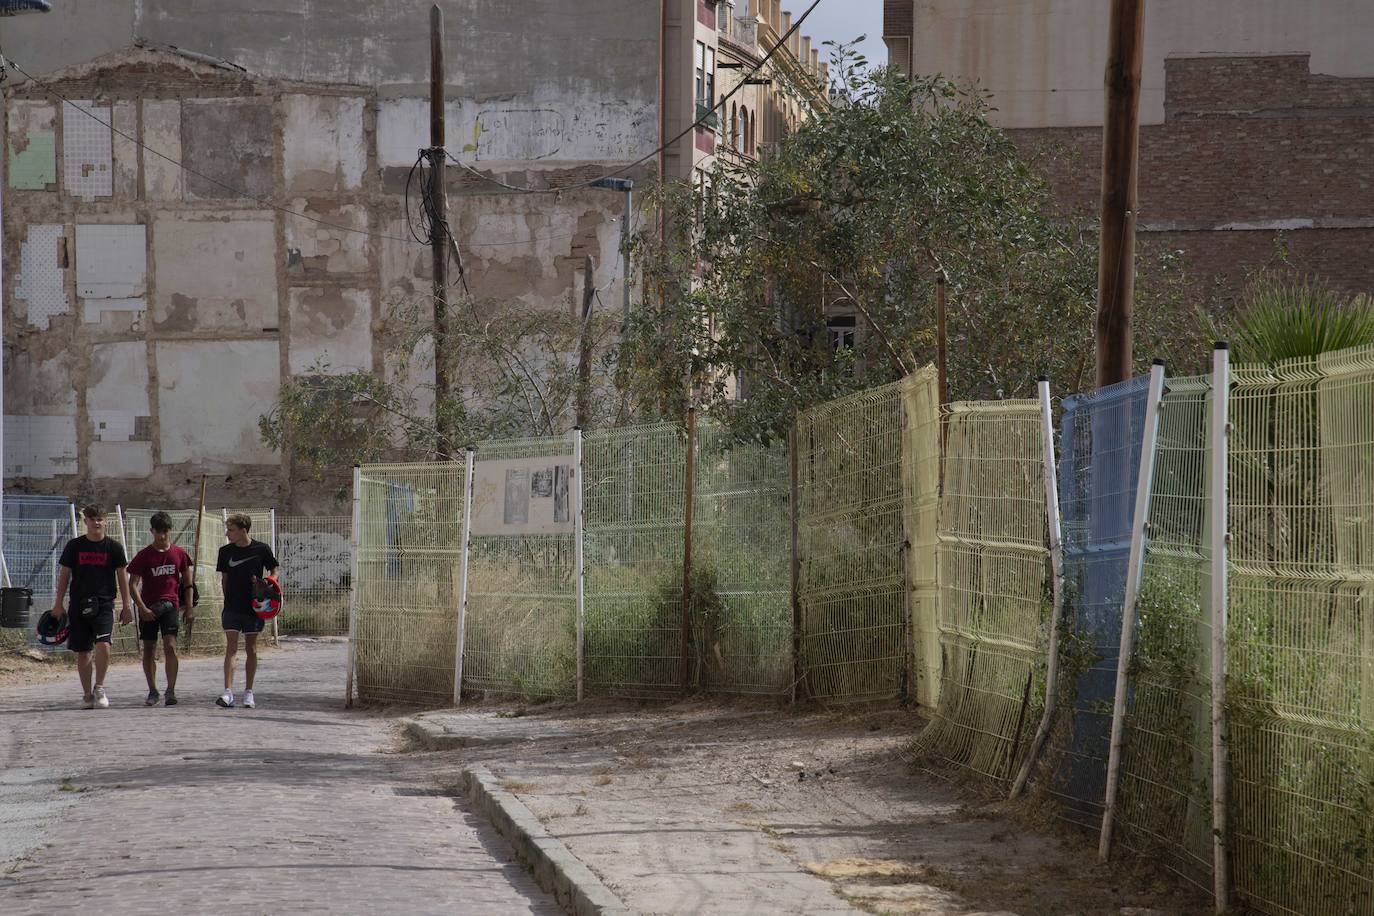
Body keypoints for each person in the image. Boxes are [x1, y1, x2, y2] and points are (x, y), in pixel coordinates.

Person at [51, 505, 132, 709]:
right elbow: (64, 575)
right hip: (78, 603)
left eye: (100, 519)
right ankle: (87, 694)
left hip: (104, 603)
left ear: (106, 521)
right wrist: (58, 603)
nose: (96, 522)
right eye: (92, 519)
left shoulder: (113, 547)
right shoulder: (74, 546)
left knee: (104, 645)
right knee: (83, 651)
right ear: (85, 521)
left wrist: (127, 604)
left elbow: (122, 576)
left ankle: (100, 687)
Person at [126, 511, 193, 707]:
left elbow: (188, 584)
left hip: (171, 605)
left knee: (170, 646)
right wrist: (141, 608)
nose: (161, 536)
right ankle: (152, 690)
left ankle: (170, 690)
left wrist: (189, 608)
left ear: (170, 531)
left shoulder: (179, 554)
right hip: (149, 607)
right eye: (157, 532)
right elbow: (132, 585)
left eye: (165, 531)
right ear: (151, 531)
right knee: (149, 648)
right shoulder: (144, 556)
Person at [216, 512, 278, 709]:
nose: (228, 533)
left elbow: (274, 569)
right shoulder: (225, 551)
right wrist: (227, 601)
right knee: (231, 647)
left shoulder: (262, 549)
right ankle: (227, 692)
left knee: (251, 649)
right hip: (232, 607)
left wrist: (270, 583)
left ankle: (249, 693)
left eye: (231, 530)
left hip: (254, 608)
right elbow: (224, 579)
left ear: (243, 530)